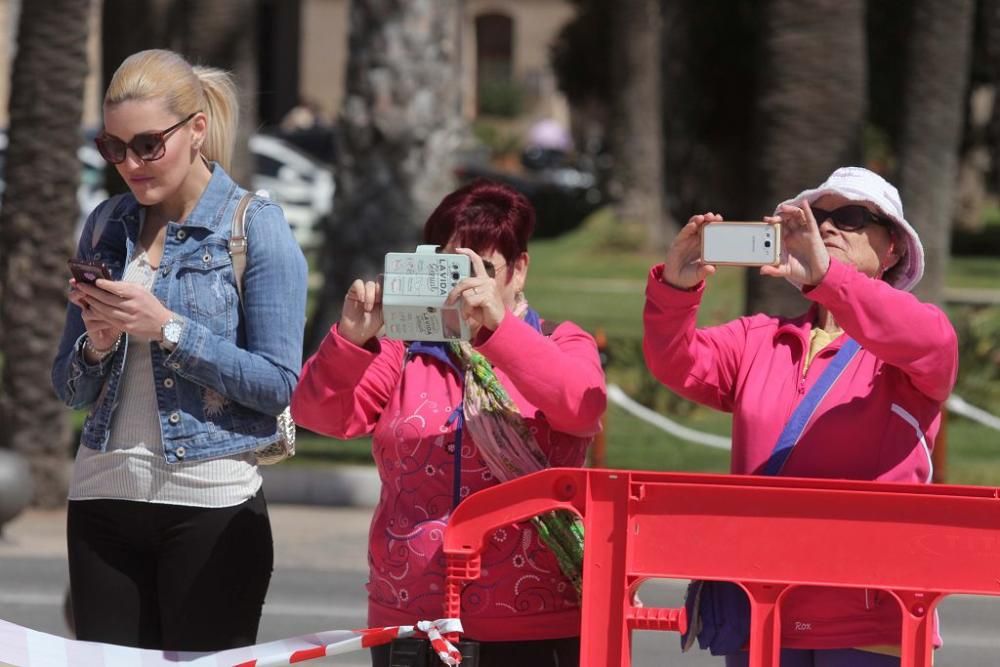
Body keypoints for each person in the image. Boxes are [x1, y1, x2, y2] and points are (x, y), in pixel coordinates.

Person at [642, 166, 958, 667]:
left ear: (893, 249)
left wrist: (829, 280)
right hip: (763, 605)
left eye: (852, 218)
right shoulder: (758, 337)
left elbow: (930, 341)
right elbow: (674, 362)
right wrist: (677, 290)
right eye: (817, 216)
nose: (829, 228)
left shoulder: (914, 338)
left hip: (871, 618)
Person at [51, 49, 308, 651]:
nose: (131, 164)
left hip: (211, 505)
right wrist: (98, 345)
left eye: (147, 144)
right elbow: (68, 388)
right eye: (112, 148)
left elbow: (277, 384)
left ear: (196, 130)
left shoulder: (253, 225)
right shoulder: (104, 224)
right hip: (102, 496)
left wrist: (169, 329)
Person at [290, 180, 607, 667]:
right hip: (411, 617)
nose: (463, 287)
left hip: (533, 620)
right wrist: (351, 343)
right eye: (448, 268)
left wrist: (497, 332)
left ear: (519, 271)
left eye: (479, 269)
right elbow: (321, 416)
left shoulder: (559, 342)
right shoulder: (402, 349)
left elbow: (581, 407)